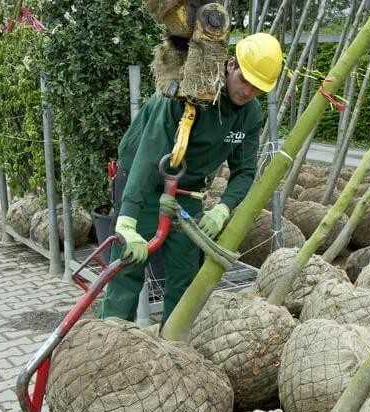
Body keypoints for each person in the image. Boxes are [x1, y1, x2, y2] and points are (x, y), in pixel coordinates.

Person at [101, 33, 282, 323]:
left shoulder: (250, 114)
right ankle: (109, 337)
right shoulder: (185, 92)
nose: (248, 91)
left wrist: (223, 209)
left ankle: (173, 347)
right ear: (231, 65)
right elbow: (148, 156)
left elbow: (245, 171)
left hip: (188, 191)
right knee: (129, 267)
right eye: (245, 80)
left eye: (258, 88)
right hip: (144, 180)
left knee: (184, 276)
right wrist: (128, 219)